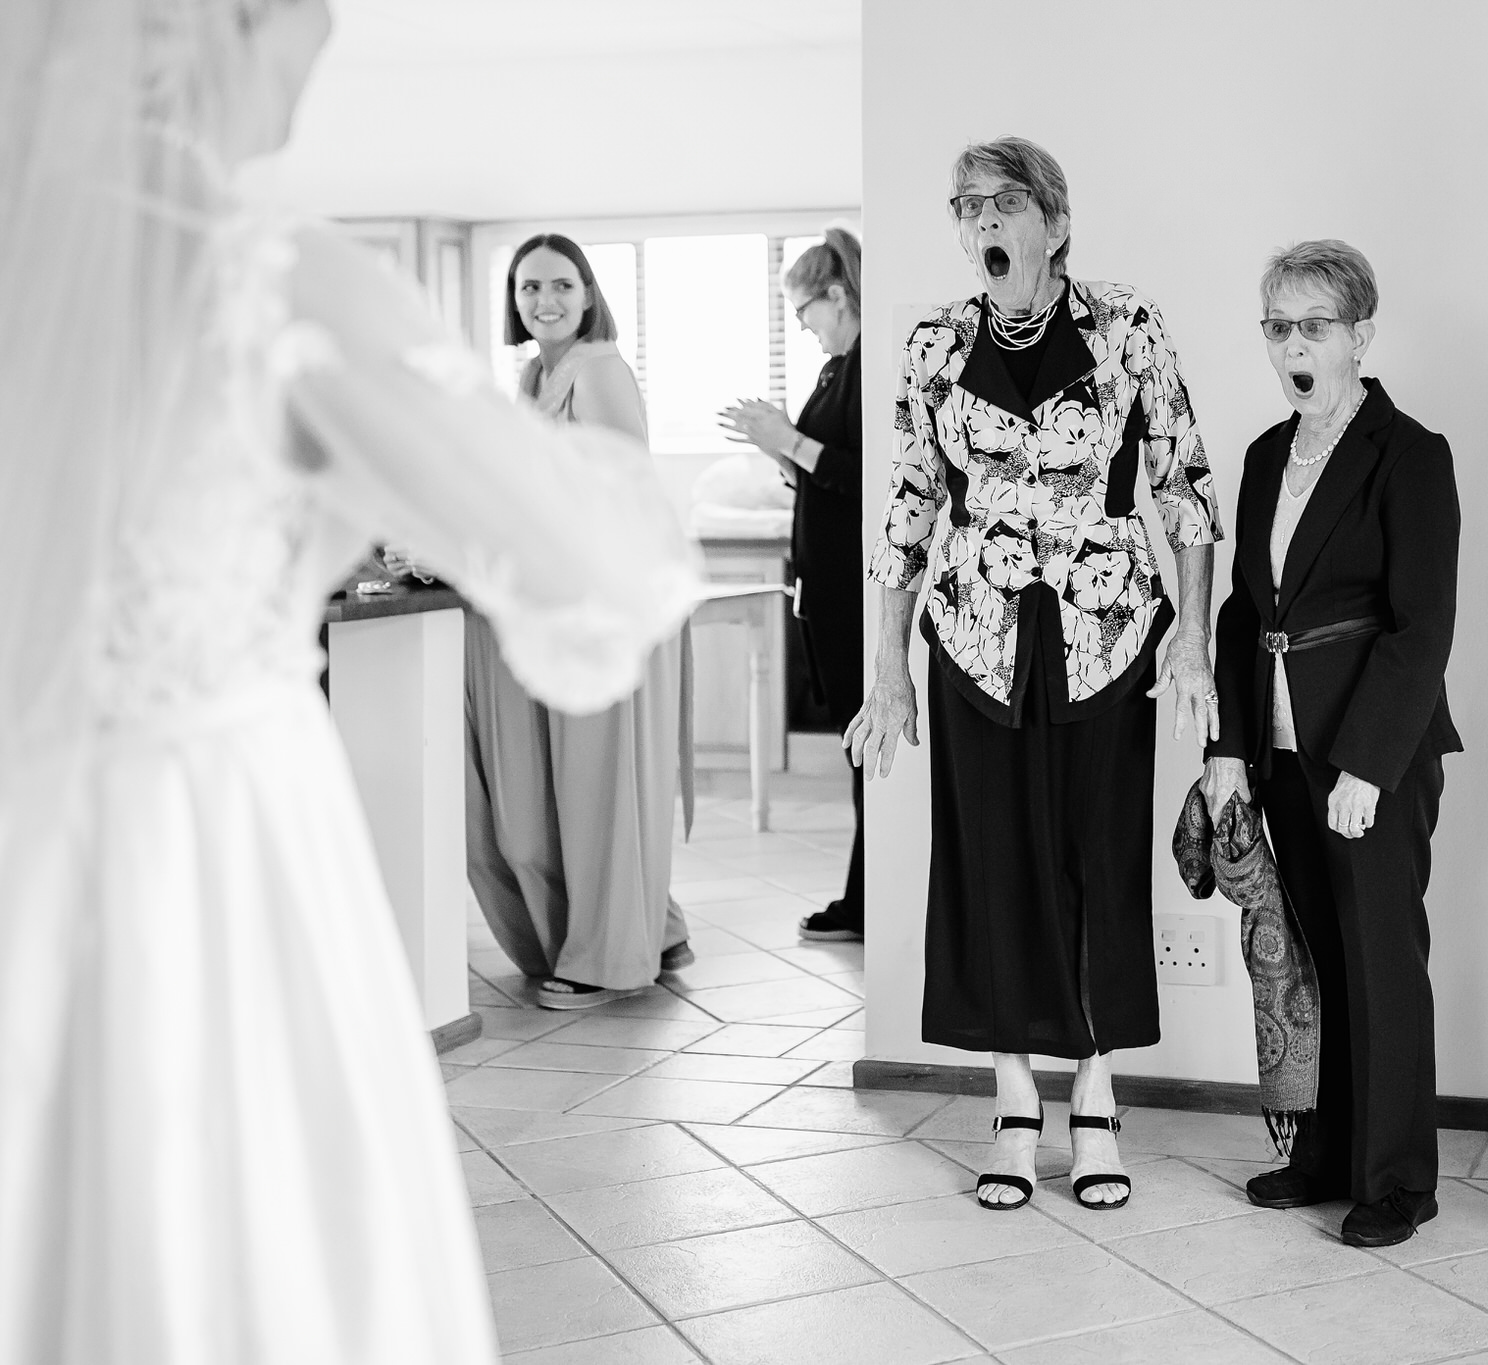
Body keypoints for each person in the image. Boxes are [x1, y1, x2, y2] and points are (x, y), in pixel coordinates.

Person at [0, 0, 713, 1360]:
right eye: (299, 20)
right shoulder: (261, 282)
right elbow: (599, 570)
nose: (315, 49)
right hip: (196, 844)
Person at [847, 136, 1223, 1212]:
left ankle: (1095, 1100)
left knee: (1097, 862)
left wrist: (1189, 637)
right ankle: (1014, 1104)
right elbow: (909, 504)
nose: (981, 224)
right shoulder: (931, 344)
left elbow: (1184, 488)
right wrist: (888, 665)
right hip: (971, 639)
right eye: (965, 207)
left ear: (1054, 224)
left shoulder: (1123, 328)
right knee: (991, 866)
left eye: (1003, 204)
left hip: (1106, 637)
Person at [1203, 241, 1461, 1248]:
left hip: (1369, 754)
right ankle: (1324, 1155)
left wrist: (1367, 763)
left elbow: (1419, 626)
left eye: (1314, 325)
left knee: (1380, 961)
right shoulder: (1268, 453)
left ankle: (1397, 1179)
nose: (1293, 345)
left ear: (1359, 334)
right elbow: (1241, 607)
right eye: (1277, 326)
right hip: (1275, 746)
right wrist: (1228, 741)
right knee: (1311, 963)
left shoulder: (1410, 454)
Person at [466, 233, 693, 1009]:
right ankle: (650, 926)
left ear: (589, 294)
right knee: (579, 787)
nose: (545, 301)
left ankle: (604, 957)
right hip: (570, 596)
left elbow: (622, 484)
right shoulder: (535, 374)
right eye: (529, 288)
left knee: (598, 785)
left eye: (561, 284)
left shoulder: (598, 369)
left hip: (610, 602)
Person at [718, 228, 867, 942]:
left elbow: (859, 476)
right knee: (853, 745)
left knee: (861, 745)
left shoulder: (866, 365)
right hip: (823, 583)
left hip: (849, 587)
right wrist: (776, 449)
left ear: (836, 296)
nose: (803, 329)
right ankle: (862, 894)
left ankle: (866, 897)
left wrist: (788, 440)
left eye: (805, 311)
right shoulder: (836, 369)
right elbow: (815, 474)